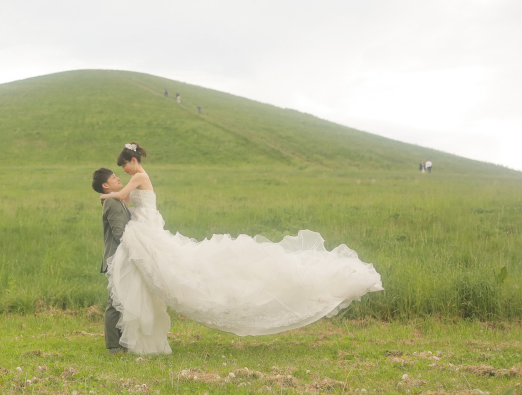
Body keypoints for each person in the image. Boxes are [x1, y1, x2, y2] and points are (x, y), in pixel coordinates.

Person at [100, 142, 383, 355]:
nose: (123, 172)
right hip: (146, 227)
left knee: (178, 268)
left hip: (147, 228)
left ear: (133, 161)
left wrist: (104, 194)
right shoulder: (138, 175)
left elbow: (123, 196)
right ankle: (125, 338)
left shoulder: (138, 176)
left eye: (123, 166)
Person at [91, 168, 131, 355]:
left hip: (121, 258)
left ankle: (122, 341)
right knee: (115, 300)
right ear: (105, 186)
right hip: (117, 258)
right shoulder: (112, 202)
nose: (118, 177)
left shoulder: (117, 199)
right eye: (114, 177)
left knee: (122, 299)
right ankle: (113, 346)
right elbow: (119, 232)